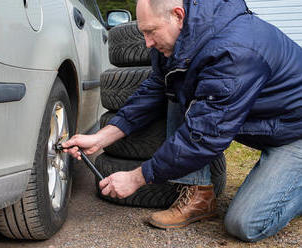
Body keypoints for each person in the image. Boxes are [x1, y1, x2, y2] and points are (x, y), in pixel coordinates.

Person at [63, 0, 302, 242]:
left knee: (246, 224)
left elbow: (205, 136)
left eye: (150, 32)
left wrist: (137, 177)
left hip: (295, 133)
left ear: (178, 16)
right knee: (177, 86)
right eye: (143, 32)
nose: (147, 43)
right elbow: (157, 87)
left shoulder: (234, 51)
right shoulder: (181, 40)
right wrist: (101, 137)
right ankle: (199, 195)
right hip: (267, 122)